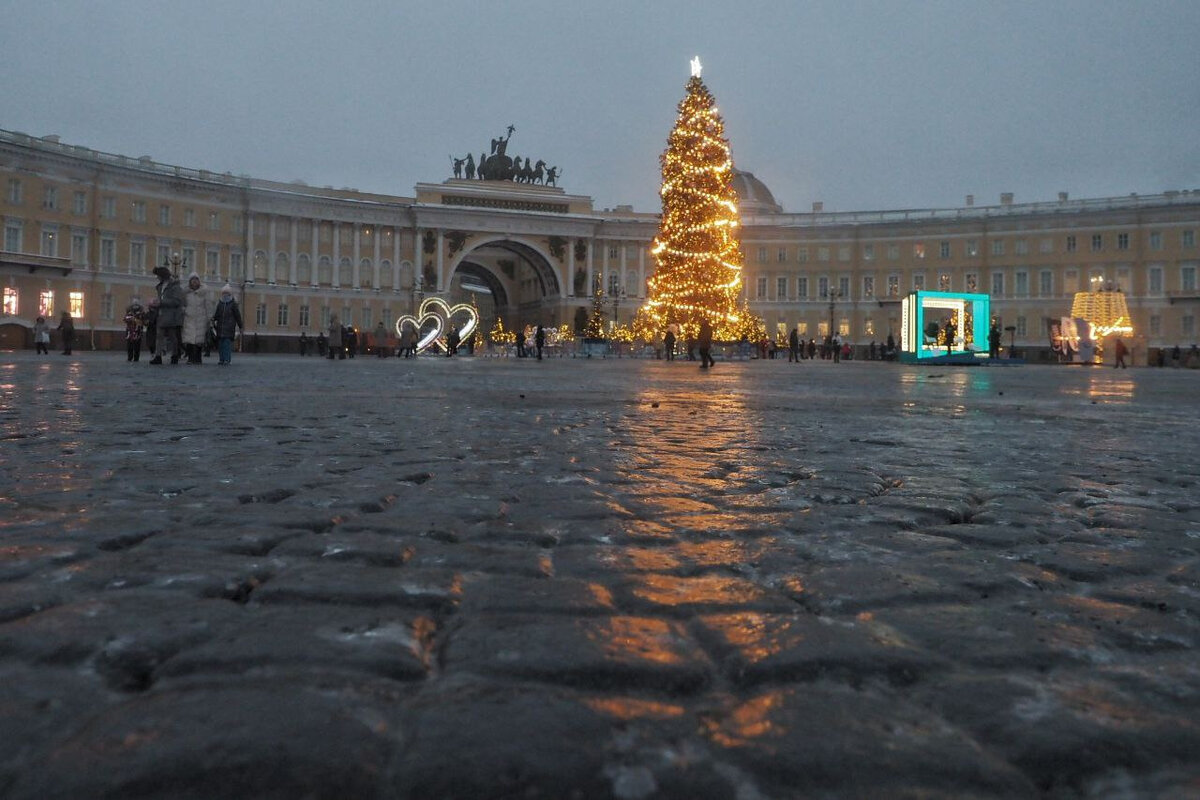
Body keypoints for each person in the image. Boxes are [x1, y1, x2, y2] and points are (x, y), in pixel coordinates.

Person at [149, 261, 184, 364]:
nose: (157, 278)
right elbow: (161, 298)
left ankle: (175, 355)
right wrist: (155, 303)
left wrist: (161, 302)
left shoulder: (175, 286)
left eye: (158, 276)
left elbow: (177, 301)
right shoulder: (160, 286)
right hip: (161, 315)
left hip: (171, 316)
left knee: (173, 337)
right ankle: (158, 356)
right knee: (159, 337)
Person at [181, 272, 211, 365]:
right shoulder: (186, 293)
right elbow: (182, 303)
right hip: (189, 318)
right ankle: (190, 358)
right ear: (190, 282)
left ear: (199, 281)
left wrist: (209, 317)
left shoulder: (204, 293)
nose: (194, 282)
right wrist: (184, 310)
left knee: (199, 340)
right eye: (192, 280)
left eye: (196, 280)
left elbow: (208, 305)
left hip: (200, 318)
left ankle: (198, 358)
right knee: (189, 339)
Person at [210, 283, 244, 365]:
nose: (225, 295)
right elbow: (217, 314)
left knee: (227, 345)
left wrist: (240, 326)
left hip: (229, 329)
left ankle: (227, 359)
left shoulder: (233, 304)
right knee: (221, 346)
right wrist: (213, 319)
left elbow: (237, 316)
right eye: (224, 293)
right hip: (220, 329)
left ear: (230, 294)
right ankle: (221, 359)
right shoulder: (220, 304)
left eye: (227, 293)